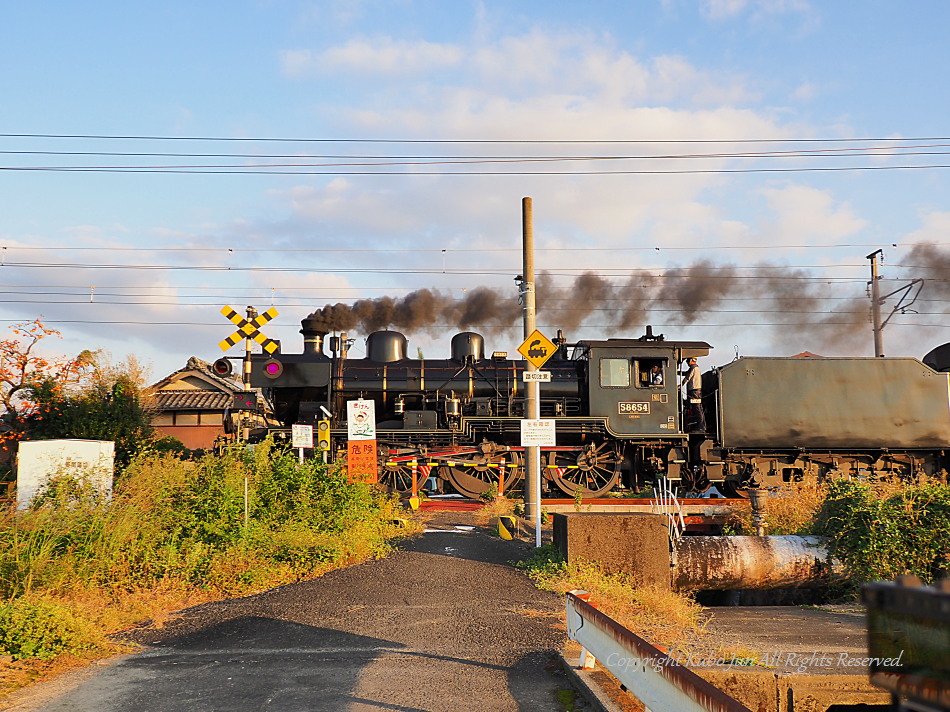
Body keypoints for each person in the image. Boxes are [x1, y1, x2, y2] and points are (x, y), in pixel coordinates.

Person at [681, 357, 706, 432]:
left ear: (692, 360)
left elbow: (687, 377)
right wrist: (678, 372)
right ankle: (700, 426)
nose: (687, 362)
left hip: (695, 392)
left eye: (687, 361)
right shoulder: (694, 368)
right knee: (697, 408)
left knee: (697, 408)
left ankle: (701, 427)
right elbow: (686, 373)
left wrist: (680, 385)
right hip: (695, 391)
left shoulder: (694, 368)